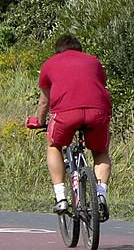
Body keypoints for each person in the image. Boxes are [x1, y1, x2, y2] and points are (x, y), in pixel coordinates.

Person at [26, 34, 112, 219]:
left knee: (54, 145)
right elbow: (101, 85)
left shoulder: (49, 64)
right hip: (98, 112)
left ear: (58, 51)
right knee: (100, 151)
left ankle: (61, 197)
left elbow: (44, 102)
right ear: (79, 49)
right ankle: (101, 194)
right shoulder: (94, 62)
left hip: (66, 114)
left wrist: (39, 121)